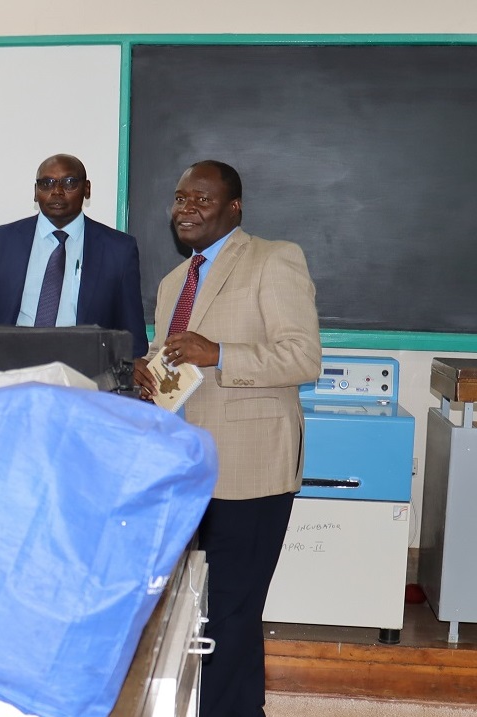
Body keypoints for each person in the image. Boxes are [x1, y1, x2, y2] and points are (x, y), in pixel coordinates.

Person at [132, 160, 320, 716]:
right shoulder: (173, 282)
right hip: (183, 470)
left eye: (202, 199)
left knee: (231, 613)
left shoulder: (273, 259)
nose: (186, 208)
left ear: (234, 207)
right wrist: (145, 374)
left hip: (250, 469)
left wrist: (220, 354)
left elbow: (303, 357)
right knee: (196, 611)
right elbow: (175, 366)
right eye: (180, 198)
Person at [0, 153, 148, 357]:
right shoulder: (0, 242)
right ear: (35, 192)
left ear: (87, 189)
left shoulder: (118, 249)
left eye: (69, 182)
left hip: (85, 370)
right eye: (46, 184)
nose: (57, 191)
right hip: (12, 365)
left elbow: (132, 338)